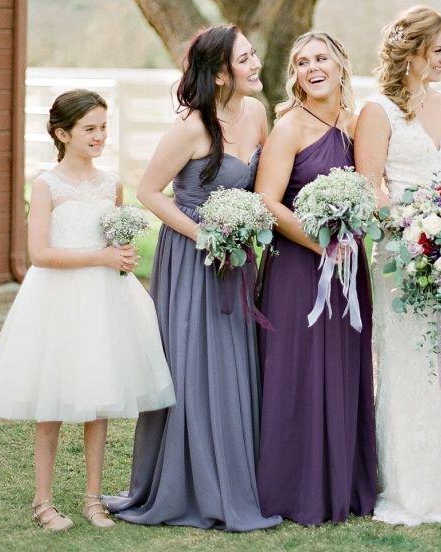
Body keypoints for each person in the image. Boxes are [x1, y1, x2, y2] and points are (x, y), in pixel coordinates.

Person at [105, 26, 280, 532]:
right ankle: (188, 484)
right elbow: (149, 191)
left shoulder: (258, 112)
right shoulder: (192, 127)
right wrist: (205, 235)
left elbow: (264, 182)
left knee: (234, 364)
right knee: (194, 366)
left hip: (239, 257)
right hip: (192, 258)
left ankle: (237, 478)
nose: (255, 64)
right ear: (222, 72)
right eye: (245, 58)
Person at [0, 89, 174, 532]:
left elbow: (114, 241)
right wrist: (100, 258)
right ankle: (43, 500)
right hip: (58, 300)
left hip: (105, 301)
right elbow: (40, 254)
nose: (100, 136)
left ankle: (93, 497)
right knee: (53, 399)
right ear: (62, 133)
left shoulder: (112, 184)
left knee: (98, 398)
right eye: (90, 129)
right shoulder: (46, 185)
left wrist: (120, 255)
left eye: (104, 127)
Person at [354, 5, 441, 525]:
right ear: (411, 53)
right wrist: (412, 229)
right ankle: (409, 487)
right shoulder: (377, 110)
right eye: (440, 50)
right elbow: (370, 186)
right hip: (400, 253)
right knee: (409, 362)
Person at [254, 31, 377, 524]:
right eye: (302, 62)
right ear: (295, 76)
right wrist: (317, 241)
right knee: (297, 373)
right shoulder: (289, 127)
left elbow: (373, 189)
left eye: (321, 58)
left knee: (343, 369)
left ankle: (341, 485)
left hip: (348, 269)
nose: (312, 68)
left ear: (341, 64)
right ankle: (290, 488)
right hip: (299, 269)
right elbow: (266, 200)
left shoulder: (356, 124)